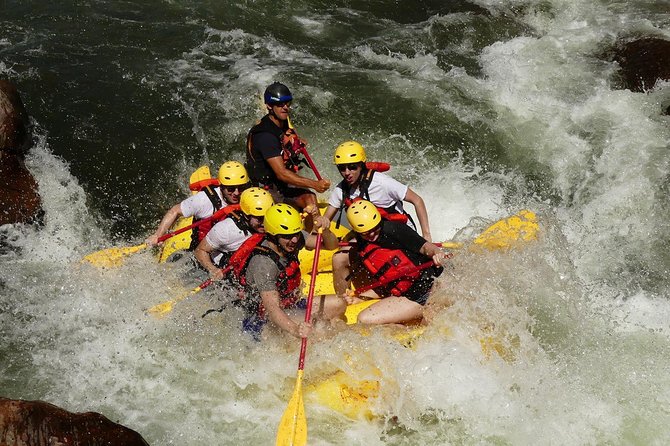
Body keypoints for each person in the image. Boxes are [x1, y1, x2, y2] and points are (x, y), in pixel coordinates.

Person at [323, 141, 432, 296]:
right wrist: (322, 221)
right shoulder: (341, 189)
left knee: (381, 256)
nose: (347, 172)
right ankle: (342, 300)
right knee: (339, 258)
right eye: (342, 168)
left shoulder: (382, 183)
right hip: (370, 236)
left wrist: (426, 235)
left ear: (362, 165)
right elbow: (326, 217)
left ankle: (391, 290)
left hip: (398, 235)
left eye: (352, 167)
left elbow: (417, 200)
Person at [236, 203, 345, 339]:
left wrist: (325, 230)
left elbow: (331, 245)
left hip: (290, 304)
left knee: (338, 303)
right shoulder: (263, 264)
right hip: (262, 319)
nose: (294, 240)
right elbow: (273, 310)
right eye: (288, 236)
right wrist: (295, 330)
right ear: (273, 236)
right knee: (316, 334)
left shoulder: (292, 238)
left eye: (296, 234)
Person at [342, 200, 445, 325]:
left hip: (429, 286)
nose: (372, 234)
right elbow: (386, 282)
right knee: (364, 319)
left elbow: (425, 247)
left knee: (429, 321)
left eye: (375, 229)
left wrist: (436, 252)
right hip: (407, 296)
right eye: (366, 233)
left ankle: (424, 316)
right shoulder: (363, 247)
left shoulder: (394, 229)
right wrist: (360, 297)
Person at [245, 82, 330, 220]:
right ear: (269, 106)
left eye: (287, 103)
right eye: (280, 104)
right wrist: (315, 184)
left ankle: (316, 232)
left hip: (279, 185)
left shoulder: (281, 122)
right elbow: (282, 174)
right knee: (310, 194)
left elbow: (285, 136)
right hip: (267, 189)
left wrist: (296, 141)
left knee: (310, 198)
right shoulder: (265, 136)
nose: (285, 107)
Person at [145, 161, 249, 249]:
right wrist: (158, 235)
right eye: (231, 189)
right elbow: (175, 211)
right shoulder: (204, 200)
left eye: (241, 188)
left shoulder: (249, 195)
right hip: (201, 248)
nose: (236, 193)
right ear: (221, 186)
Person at [194, 187, 273, 280]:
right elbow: (200, 251)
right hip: (222, 270)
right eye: (259, 219)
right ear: (246, 216)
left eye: (268, 218)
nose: (265, 223)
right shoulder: (225, 229)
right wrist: (213, 270)